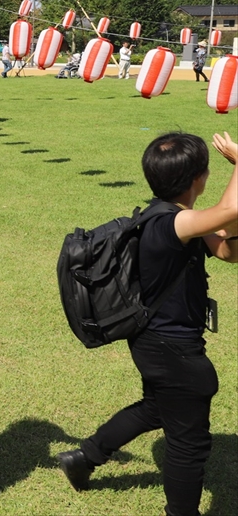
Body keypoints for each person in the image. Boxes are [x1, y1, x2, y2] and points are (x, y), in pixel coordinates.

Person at [57, 131, 238, 516]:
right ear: (198, 179)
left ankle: (84, 457)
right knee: (189, 445)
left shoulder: (167, 215)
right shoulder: (174, 223)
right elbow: (227, 213)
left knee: (155, 408)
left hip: (151, 342)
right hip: (174, 350)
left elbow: (226, 249)